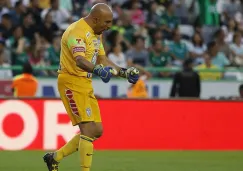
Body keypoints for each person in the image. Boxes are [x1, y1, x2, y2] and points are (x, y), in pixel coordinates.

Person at [43, 3, 139, 171]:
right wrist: (97, 70)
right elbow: (80, 60)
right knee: (87, 130)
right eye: (107, 22)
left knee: (96, 130)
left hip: (85, 82)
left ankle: (54, 158)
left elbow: (103, 60)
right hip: (71, 81)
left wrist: (125, 73)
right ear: (96, 19)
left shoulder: (96, 33)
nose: (109, 26)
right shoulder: (77, 32)